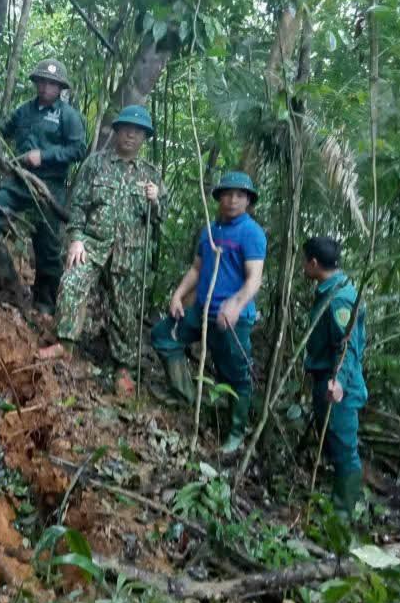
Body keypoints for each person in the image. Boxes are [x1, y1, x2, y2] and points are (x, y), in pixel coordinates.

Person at [39, 105, 162, 397]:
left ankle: (123, 368)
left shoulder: (150, 174)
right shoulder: (95, 164)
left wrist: (156, 200)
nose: (131, 134)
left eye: (137, 130)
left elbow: (159, 219)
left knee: (125, 311)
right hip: (92, 244)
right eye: (125, 128)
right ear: (117, 131)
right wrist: (77, 239)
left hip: (129, 253)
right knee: (72, 281)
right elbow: (78, 206)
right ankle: (65, 344)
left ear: (144, 136)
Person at [151, 172, 266, 454]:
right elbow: (197, 268)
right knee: (164, 335)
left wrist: (236, 305)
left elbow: (254, 278)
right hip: (201, 311)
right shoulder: (210, 230)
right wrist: (178, 295)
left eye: (240, 195)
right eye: (227, 194)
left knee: (236, 376)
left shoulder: (251, 232)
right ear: (218, 199)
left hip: (231, 320)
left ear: (248, 200)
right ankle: (185, 395)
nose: (232, 200)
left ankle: (236, 432)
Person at [0, 59, 86, 312]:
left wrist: (44, 155)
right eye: (42, 81)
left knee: (46, 249)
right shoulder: (24, 111)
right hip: (18, 182)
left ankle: (45, 304)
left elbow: (78, 149)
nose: (46, 87)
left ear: (60, 88)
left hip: (49, 188)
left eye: (52, 83)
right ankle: (10, 282)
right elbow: (2, 132)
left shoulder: (68, 116)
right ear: (36, 83)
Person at [301, 236, 368, 519]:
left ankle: (345, 515)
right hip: (326, 381)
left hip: (338, 388)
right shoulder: (332, 290)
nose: (303, 266)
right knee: (335, 446)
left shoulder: (339, 298)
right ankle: (342, 503)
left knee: (345, 451)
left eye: (305, 261)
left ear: (314, 263)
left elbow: (347, 345)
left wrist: (338, 381)